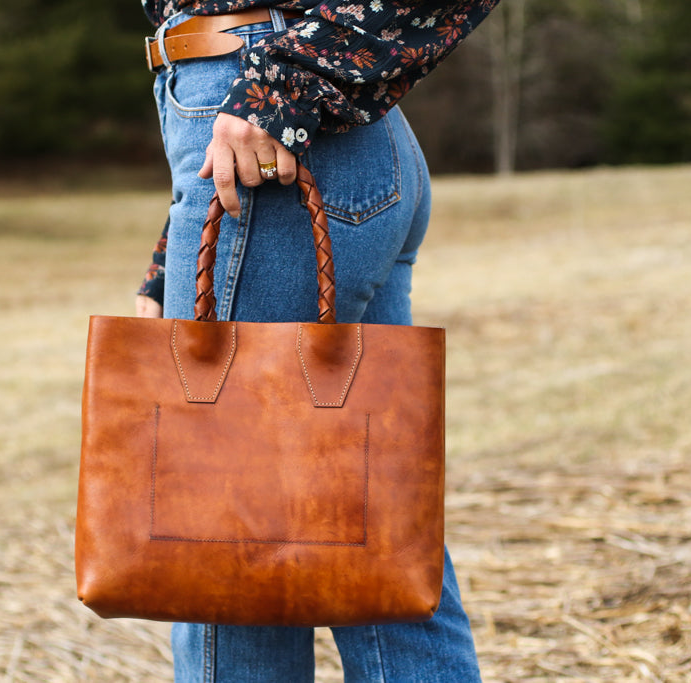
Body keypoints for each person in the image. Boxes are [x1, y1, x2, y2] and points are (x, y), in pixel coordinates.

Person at [132, 1, 499, 680]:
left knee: (225, 557)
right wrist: (173, 253)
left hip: (284, 144)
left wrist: (281, 87)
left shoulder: (277, 88)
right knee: (385, 554)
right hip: (293, 144)